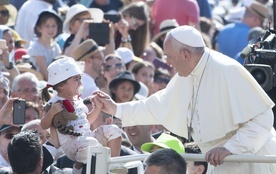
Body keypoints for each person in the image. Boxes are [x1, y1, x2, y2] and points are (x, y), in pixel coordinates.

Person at [94, 25, 276, 173]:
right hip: (223, 161)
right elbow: (156, 106)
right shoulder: (187, 74)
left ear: (186, 55)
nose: (167, 62)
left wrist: (231, 148)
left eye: (169, 56)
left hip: (249, 160)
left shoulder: (225, 70)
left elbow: (263, 118)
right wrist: (117, 109)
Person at [40, 56, 121, 173]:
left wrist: (97, 108)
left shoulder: (78, 100)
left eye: (80, 78)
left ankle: (114, 165)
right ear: (62, 85)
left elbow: (87, 121)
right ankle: (78, 167)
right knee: (90, 143)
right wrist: (52, 112)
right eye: (76, 79)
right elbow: (43, 125)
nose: (81, 83)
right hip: (71, 144)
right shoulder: (53, 103)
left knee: (113, 129)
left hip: (88, 138)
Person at [28, 10, 62, 80]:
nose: (51, 29)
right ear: (39, 28)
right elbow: (44, 72)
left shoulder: (56, 46)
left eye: (53, 26)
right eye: (47, 26)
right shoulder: (36, 48)